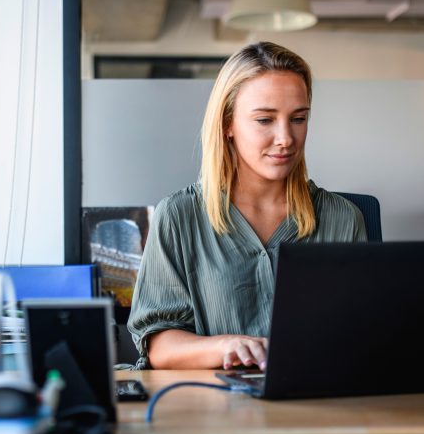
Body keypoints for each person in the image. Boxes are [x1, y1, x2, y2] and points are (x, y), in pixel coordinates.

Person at [127, 41, 367, 370]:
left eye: (298, 118)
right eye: (265, 120)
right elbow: (159, 345)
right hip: (218, 410)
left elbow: (364, 333)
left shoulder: (343, 219)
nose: (286, 138)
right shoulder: (179, 216)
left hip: (319, 405)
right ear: (228, 124)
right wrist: (229, 345)